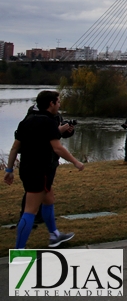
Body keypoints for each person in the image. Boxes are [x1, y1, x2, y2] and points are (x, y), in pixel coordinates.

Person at [4, 90, 85, 248]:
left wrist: (9, 170)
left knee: (49, 200)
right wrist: (76, 162)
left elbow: (15, 148)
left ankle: (54, 236)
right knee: (30, 211)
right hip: (39, 171)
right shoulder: (48, 122)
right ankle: (19, 251)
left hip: (27, 169)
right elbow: (58, 148)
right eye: (58, 102)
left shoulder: (26, 121)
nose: (60, 104)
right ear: (51, 104)